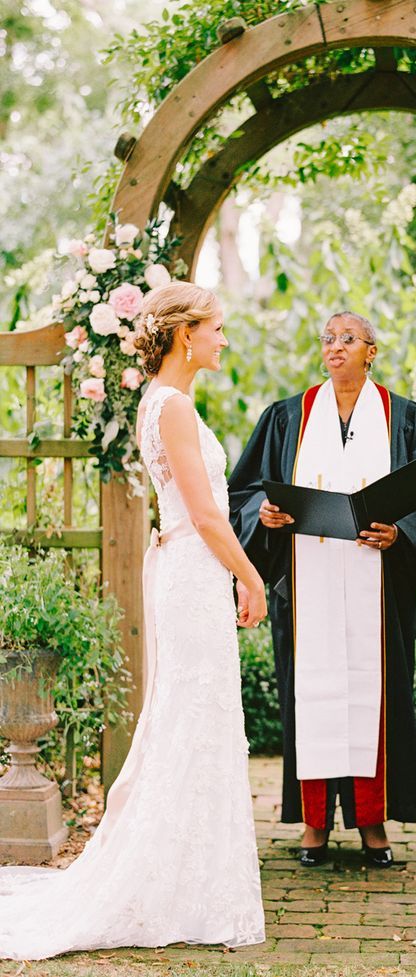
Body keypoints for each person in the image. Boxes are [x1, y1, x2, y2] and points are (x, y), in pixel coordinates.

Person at [0, 281, 267, 959]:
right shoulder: (172, 405)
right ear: (186, 334)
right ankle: (178, 886)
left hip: (186, 571)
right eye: (216, 327)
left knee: (192, 721)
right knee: (192, 722)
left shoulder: (161, 400)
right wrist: (252, 573)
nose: (222, 338)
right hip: (193, 571)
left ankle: (190, 882)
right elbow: (207, 515)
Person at [229, 311, 416, 866]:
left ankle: (373, 822)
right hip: (305, 584)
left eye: (348, 339)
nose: (335, 348)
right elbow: (241, 491)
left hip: (376, 588)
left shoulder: (405, 419)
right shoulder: (286, 418)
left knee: (373, 698)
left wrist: (401, 533)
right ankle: (314, 823)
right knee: (309, 698)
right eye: (328, 339)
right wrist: (260, 517)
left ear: (371, 351)